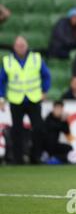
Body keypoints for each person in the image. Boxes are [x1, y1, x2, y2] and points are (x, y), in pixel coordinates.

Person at [0, 36, 51, 164]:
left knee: (38, 129)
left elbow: (46, 76)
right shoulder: (8, 61)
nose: (21, 48)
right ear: (14, 47)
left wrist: (44, 91)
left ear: (27, 46)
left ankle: (36, 157)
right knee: (16, 131)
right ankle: (18, 159)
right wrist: (1, 98)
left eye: (23, 45)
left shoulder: (36, 59)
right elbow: (1, 81)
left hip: (34, 99)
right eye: (18, 45)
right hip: (16, 100)